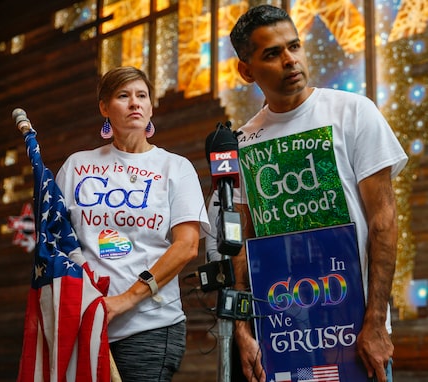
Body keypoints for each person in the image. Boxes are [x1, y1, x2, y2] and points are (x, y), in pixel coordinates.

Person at [228, 5, 408, 382]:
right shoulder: (241, 142)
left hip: (354, 330)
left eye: (294, 46)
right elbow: (243, 244)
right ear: (246, 71)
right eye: (273, 54)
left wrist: (376, 322)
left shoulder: (353, 112)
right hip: (280, 336)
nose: (290, 60)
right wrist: (243, 332)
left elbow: (384, 222)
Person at [56, 66, 210, 381]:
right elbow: (58, 240)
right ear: (104, 107)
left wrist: (125, 300)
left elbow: (187, 246)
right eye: (123, 96)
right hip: (84, 323)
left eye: (142, 96)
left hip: (149, 325)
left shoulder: (175, 167)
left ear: (151, 106)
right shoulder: (76, 166)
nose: (135, 103)